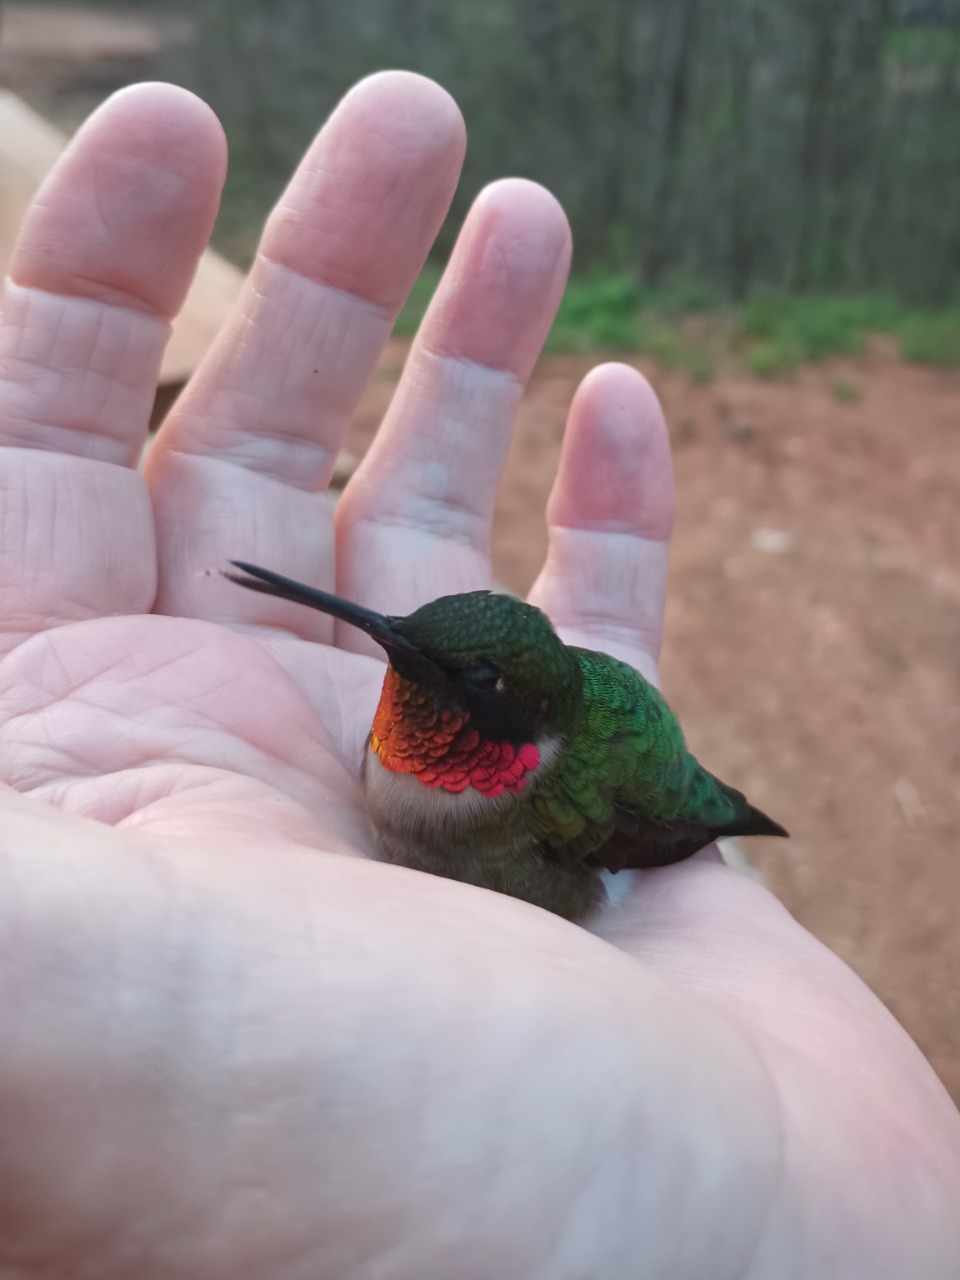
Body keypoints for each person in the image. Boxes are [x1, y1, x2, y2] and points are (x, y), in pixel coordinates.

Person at [0, 71, 957, 1279]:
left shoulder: (563, 788)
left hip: (627, 794)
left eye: (437, 669)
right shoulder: (421, 726)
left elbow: (635, 821)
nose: (385, 650)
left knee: (694, 808)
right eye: (400, 642)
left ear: (501, 719)